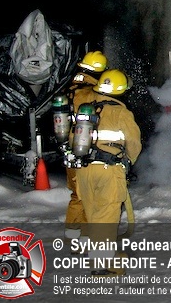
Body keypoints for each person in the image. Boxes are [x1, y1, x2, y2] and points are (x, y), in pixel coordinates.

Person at [75, 68, 142, 275]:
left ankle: (99, 258)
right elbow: (134, 144)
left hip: (84, 171)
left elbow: (72, 138)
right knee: (106, 217)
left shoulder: (86, 110)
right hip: (109, 171)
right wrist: (127, 162)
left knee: (94, 215)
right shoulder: (121, 113)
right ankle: (102, 266)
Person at [61, 51, 109, 243]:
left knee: (77, 195)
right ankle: (85, 237)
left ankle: (73, 236)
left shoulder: (69, 89)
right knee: (90, 196)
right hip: (86, 153)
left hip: (70, 152)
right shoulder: (93, 94)